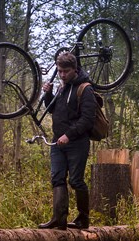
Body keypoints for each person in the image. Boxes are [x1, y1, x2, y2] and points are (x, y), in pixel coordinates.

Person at [38, 52, 97, 230]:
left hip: (77, 143)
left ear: (75, 69)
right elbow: (52, 110)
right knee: (57, 179)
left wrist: (69, 135)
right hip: (57, 143)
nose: (62, 75)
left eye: (66, 71)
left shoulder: (85, 89)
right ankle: (59, 219)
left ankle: (82, 219)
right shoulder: (61, 87)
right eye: (60, 71)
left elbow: (87, 119)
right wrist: (48, 94)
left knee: (76, 181)